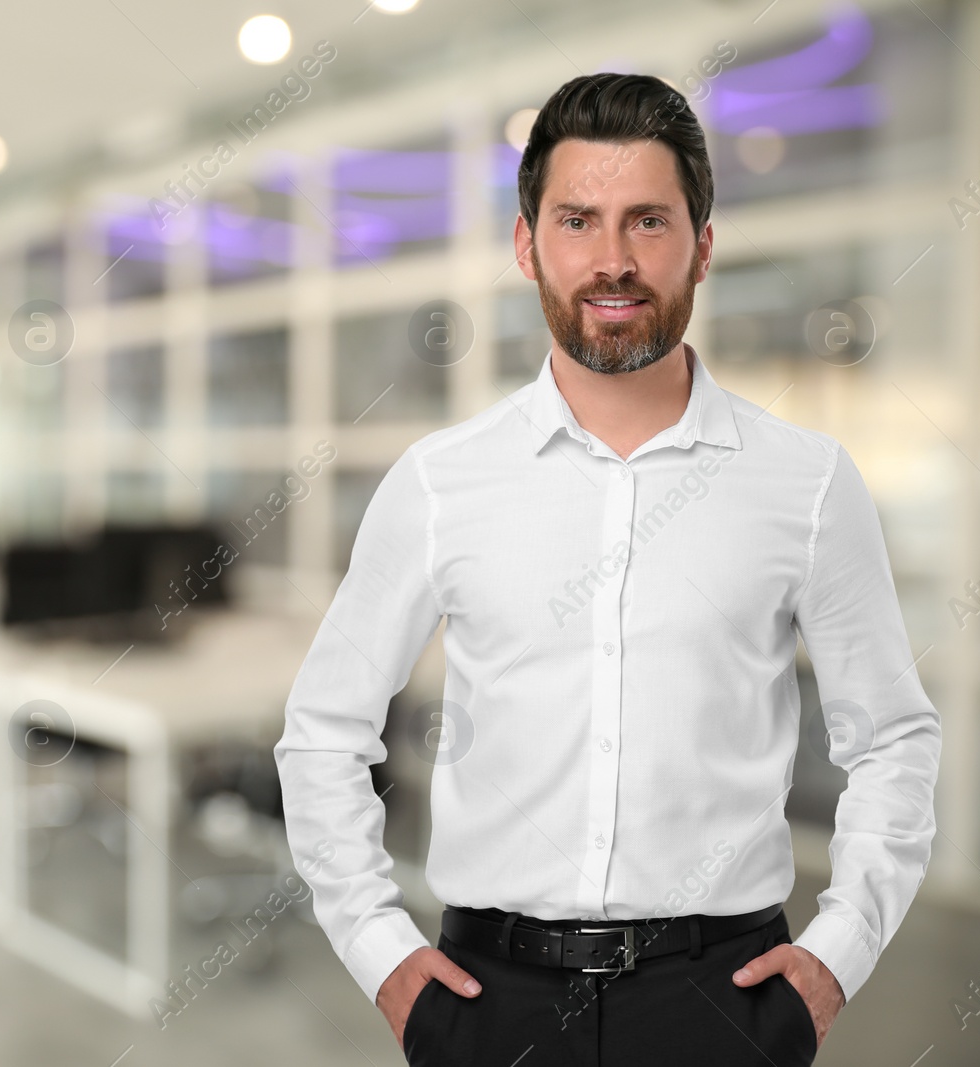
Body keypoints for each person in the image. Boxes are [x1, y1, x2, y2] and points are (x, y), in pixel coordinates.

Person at [273, 72, 940, 1066]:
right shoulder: (440, 482)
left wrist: (836, 954)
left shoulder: (805, 483)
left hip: (724, 1002)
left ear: (702, 246)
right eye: (578, 219)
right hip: (485, 1001)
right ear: (525, 242)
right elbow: (322, 730)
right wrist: (381, 952)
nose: (613, 259)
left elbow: (891, 737)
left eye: (648, 222)